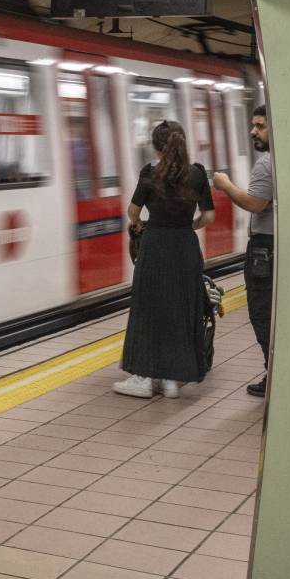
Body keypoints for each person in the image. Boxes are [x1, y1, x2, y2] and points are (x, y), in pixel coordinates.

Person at [114, 120, 216, 399]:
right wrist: (188, 226)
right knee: (181, 308)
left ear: (156, 146)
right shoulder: (197, 174)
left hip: (156, 245)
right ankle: (172, 380)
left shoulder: (150, 173)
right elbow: (209, 216)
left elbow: (132, 211)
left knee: (149, 308)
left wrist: (141, 223)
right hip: (184, 246)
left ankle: (144, 378)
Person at [213, 104, 274, 396]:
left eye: (260, 126)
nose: (253, 131)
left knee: (262, 314)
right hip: (277, 246)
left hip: (265, 250)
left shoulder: (266, 164)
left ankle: (273, 376)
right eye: (253, 125)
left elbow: (255, 204)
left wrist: (225, 185)